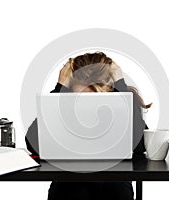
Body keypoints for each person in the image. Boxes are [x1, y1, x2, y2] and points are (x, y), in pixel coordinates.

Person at [25, 52, 150, 200]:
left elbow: (141, 145)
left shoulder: (121, 100)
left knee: (114, 189)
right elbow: (33, 143)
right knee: (74, 190)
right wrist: (59, 90)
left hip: (114, 183)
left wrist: (121, 87)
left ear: (110, 91)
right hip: (69, 182)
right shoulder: (63, 103)